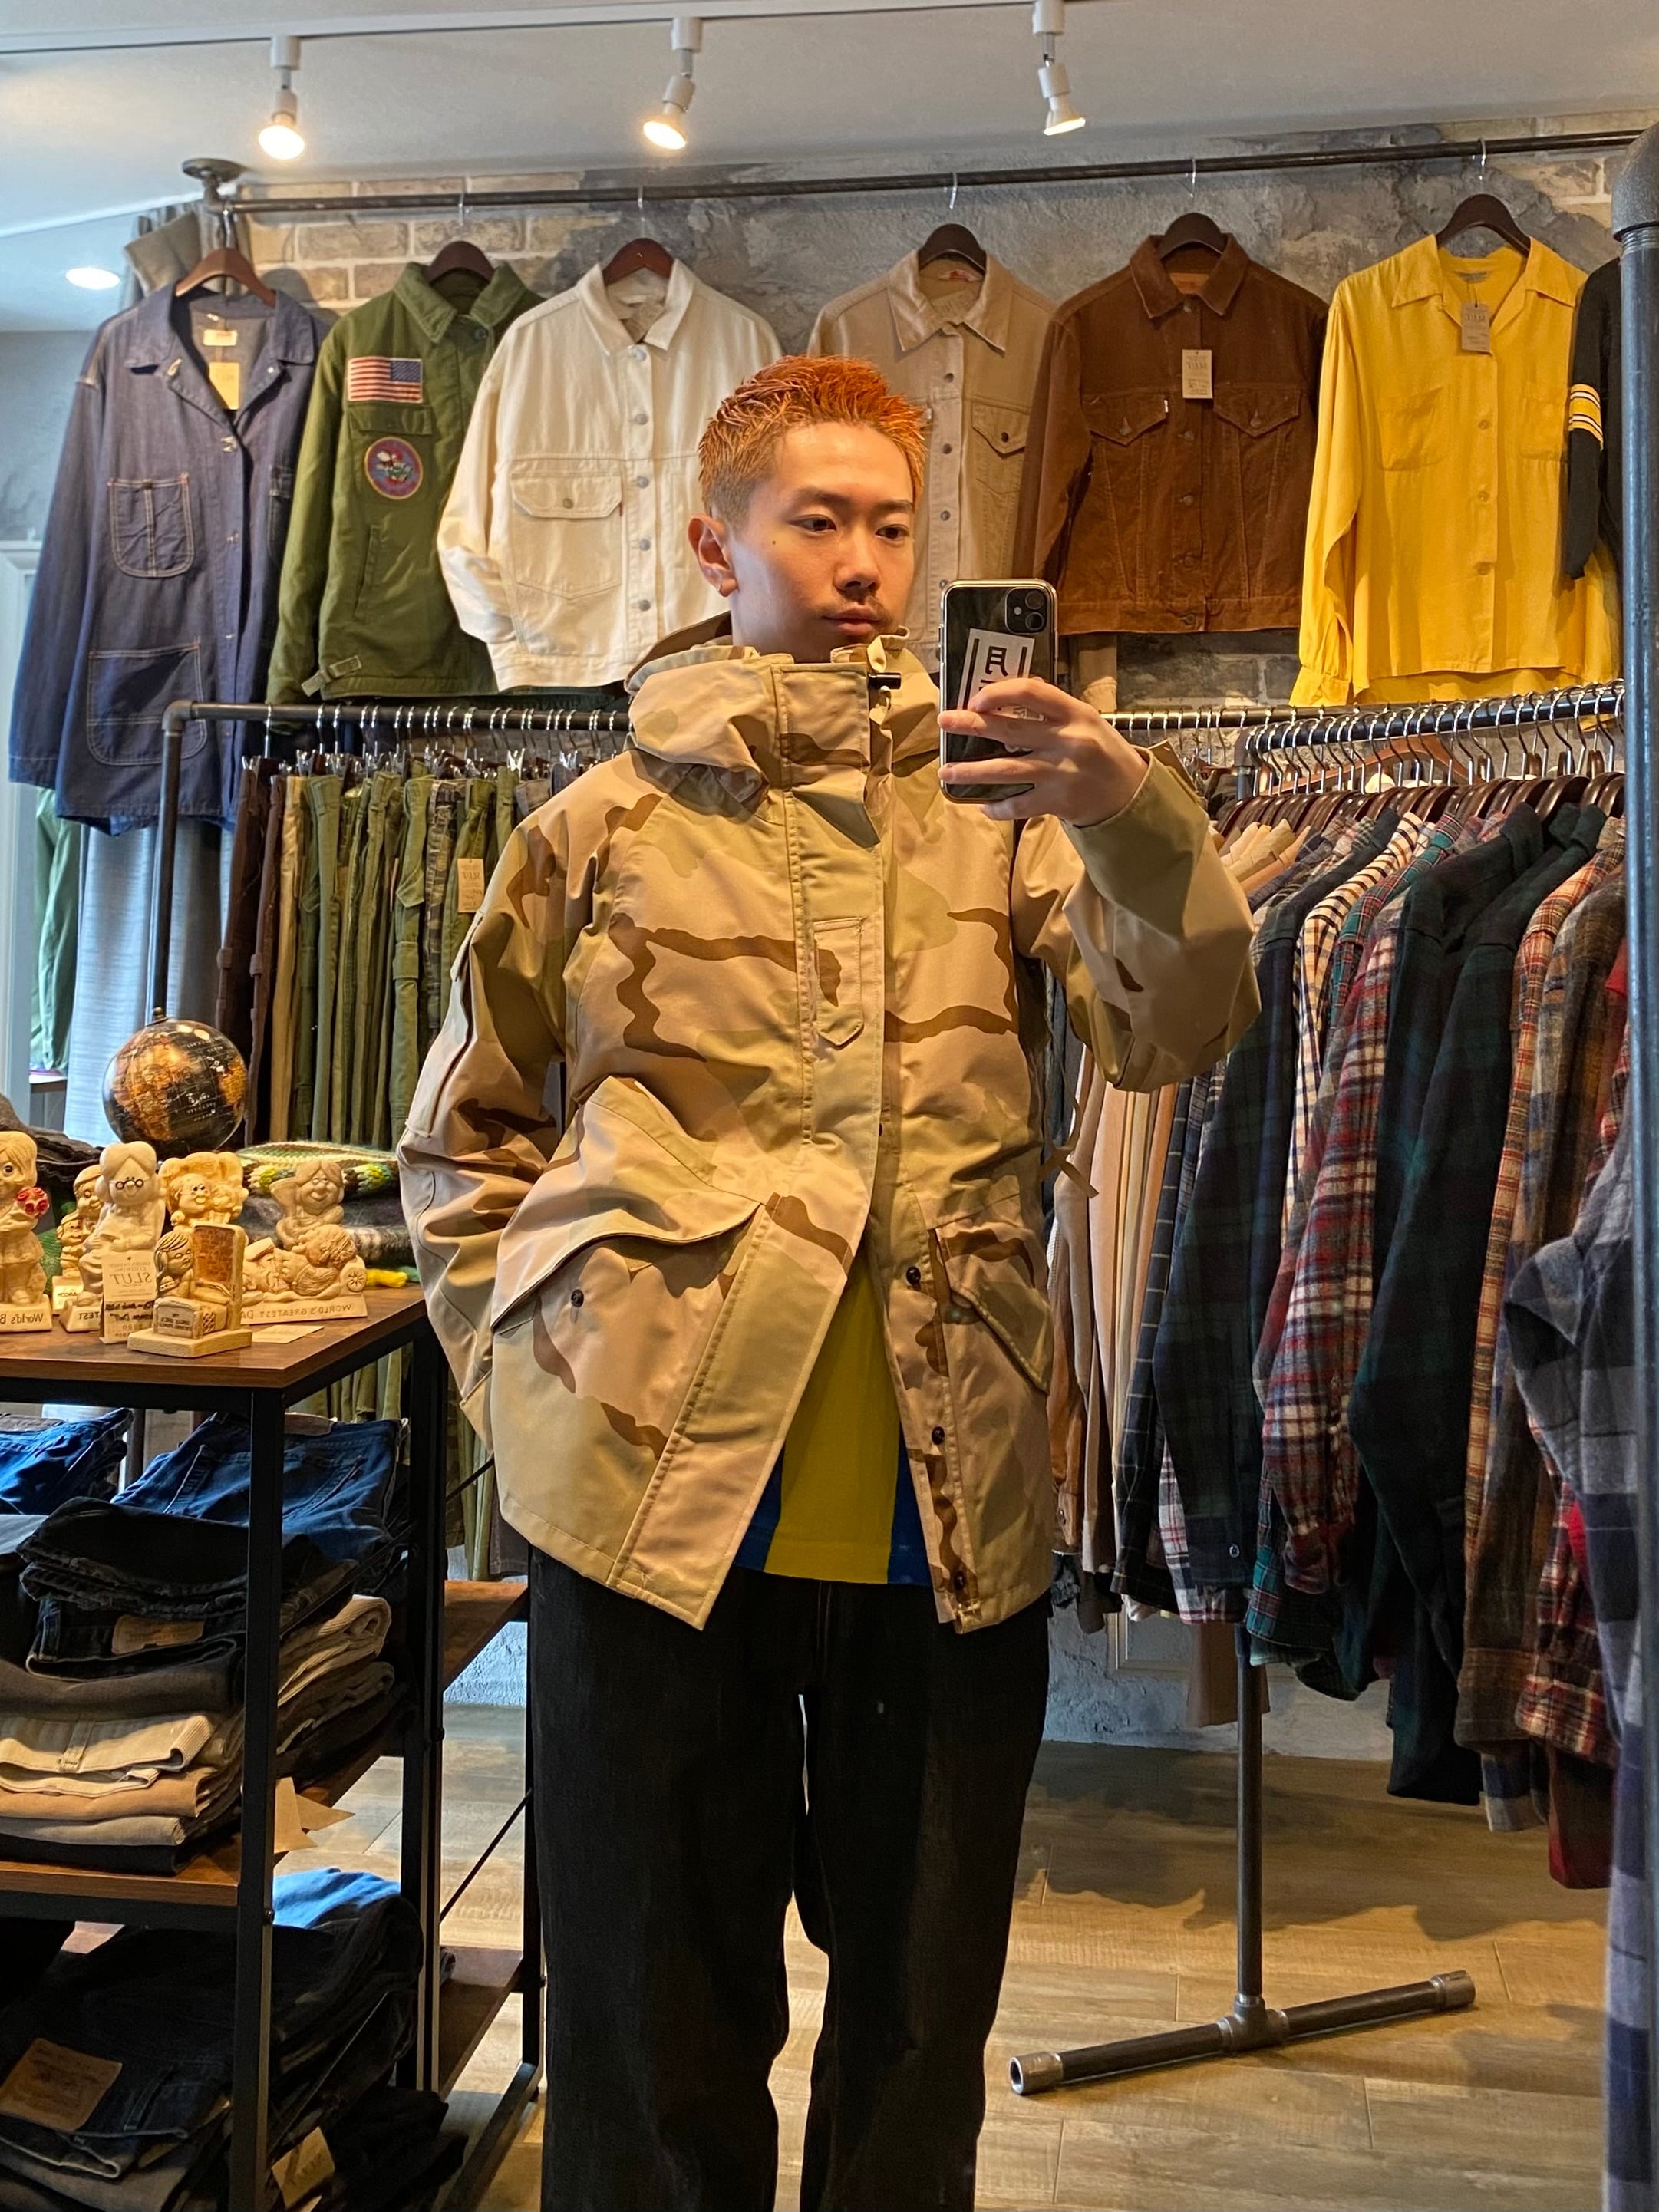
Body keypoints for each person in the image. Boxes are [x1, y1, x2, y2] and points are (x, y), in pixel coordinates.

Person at [401, 354, 1257, 2211]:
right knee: (647, 2017)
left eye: (891, 524)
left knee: (919, 2028)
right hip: (648, 1501)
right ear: (718, 543)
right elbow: (462, 1135)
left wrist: (1133, 808)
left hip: (946, 1503)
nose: (863, 561)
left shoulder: (1002, 812)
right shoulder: (599, 821)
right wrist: (527, 1381)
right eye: (817, 519)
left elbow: (1174, 1028)